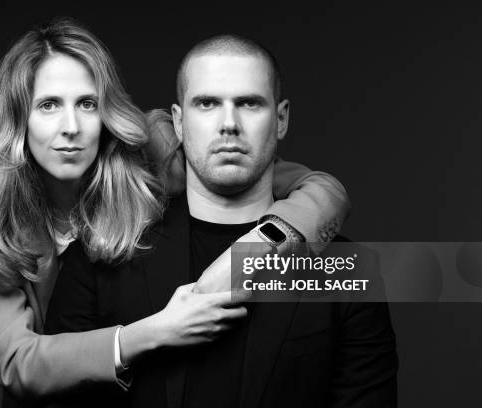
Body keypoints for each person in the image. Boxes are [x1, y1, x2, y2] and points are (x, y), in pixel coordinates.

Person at [0, 18, 351, 406]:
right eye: (49, 105)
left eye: (87, 104)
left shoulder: (151, 151)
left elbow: (322, 191)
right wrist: (154, 331)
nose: (71, 126)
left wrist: (252, 255)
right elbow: (18, 363)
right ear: (20, 119)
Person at [46, 34, 398, 407]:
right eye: (208, 103)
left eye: (248, 103)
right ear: (178, 122)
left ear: (281, 119)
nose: (229, 124)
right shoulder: (100, 256)